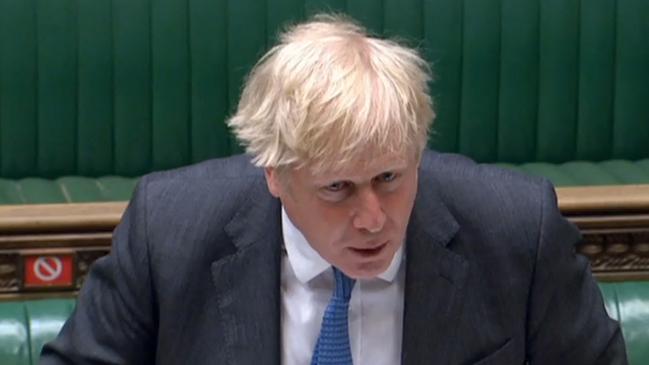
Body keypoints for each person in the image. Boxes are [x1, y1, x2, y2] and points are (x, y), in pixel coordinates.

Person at [41, 14, 627, 364]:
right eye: (338, 188)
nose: (373, 217)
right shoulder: (169, 230)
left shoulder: (517, 229)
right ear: (273, 174)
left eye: (390, 179)